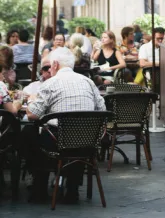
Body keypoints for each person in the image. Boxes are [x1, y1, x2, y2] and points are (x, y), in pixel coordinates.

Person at [25, 47, 106, 202]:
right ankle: (72, 188)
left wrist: (30, 101)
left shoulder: (50, 84)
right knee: (76, 135)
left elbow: (32, 115)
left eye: (49, 66)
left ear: (55, 64)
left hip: (58, 142)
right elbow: (102, 110)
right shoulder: (88, 82)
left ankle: (39, 188)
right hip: (88, 142)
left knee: (30, 133)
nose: (49, 69)